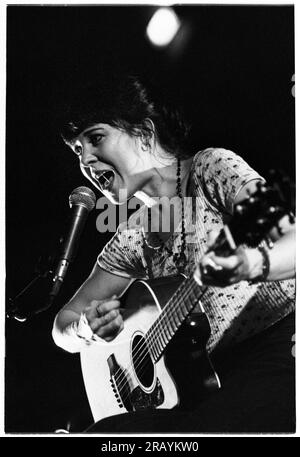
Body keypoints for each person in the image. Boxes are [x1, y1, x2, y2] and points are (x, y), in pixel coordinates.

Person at [52, 75, 295, 433]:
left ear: (145, 133)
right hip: (206, 383)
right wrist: (86, 327)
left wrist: (248, 263)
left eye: (96, 138)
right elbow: (62, 326)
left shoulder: (210, 169)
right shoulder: (131, 235)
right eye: (77, 150)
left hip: (277, 352)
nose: (86, 159)